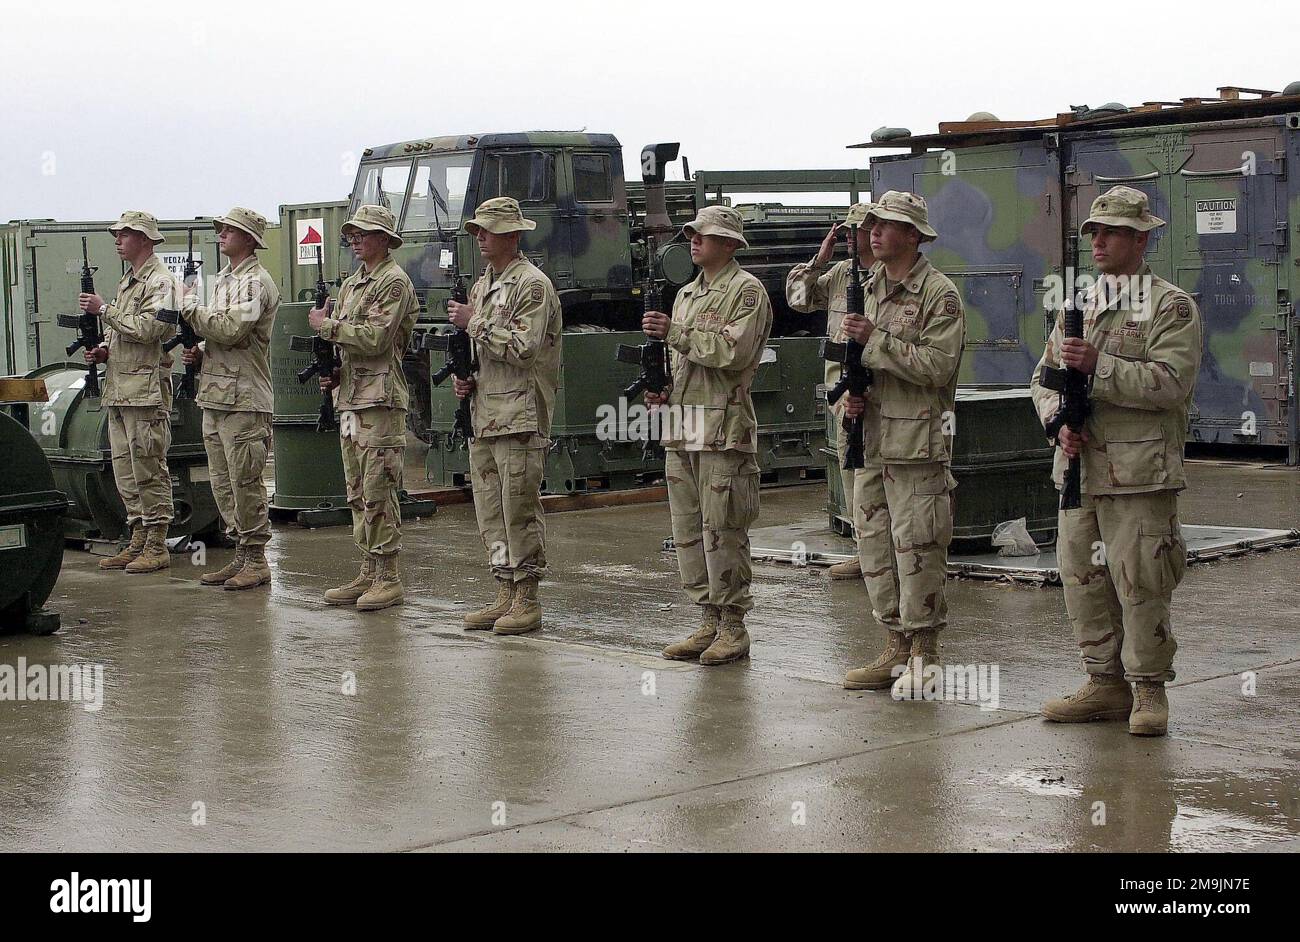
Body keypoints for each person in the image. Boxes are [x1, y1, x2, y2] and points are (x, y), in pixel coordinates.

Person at [1033, 186, 1202, 737]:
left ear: (1141, 239)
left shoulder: (1170, 306)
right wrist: (1058, 424)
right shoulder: (1079, 305)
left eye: (1112, 232)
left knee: (1141, 581)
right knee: (1082, 580)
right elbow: (1044, 377)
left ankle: (1149, 688)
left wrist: (1099, 366)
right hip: (1079, 470)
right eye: (1095, 232)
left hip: (1137, 474)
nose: (1099, 241)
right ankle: (1104, 682)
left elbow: (1172, 384)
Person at [839, 191, 966, 697]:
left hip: (915, 444)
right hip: (869, 440)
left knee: (918, 548)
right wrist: (845, 399)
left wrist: (875, 341)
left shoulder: (938, 295)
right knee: (874, 547)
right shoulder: (866, 288)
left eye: (886, 224)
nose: (874, 232)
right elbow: (844, 360)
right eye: (872, 223)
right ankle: (894, 644)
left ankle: (924, 652)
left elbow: (938, 366)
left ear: (913, 235)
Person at [645, 205, 773, 665]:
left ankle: (733, 625)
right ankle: (708, 618)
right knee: (688, 530)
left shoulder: (746, 291)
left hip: (723, 428)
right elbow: (683, 363)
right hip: (683, 428)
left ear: (730, 244)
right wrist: (662, 390)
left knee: (723, 528)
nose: (694, 240)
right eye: (692, 234)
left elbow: (734, 354)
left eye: (705, 234)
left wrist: (676, 333)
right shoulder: (686, 294)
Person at [785, 203, 901, 632]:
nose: (853, 236)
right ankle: (863, 550)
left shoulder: (887, 280)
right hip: (842, 396)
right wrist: (818, 260)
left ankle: (886, 558)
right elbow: (797, 299)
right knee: (852, 477)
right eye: (848, 230)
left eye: (860, 229)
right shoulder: (837, 277)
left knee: (879, 482)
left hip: (877, 396)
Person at [449, 197, 562, 635]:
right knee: (490, 513)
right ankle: (504, 590)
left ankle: (526, 597)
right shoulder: (483, 286)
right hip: (485, 414)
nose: (480, 237)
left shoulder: (531, 286)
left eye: (488, 230)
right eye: (478, 230)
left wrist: (473, 323)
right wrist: (466, 378)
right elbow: (484, 353)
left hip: (518, 415)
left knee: (519, 510)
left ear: (512, 235)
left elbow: (523, 348)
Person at [308, 204, 418, 612]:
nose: (355, 240)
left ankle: (388, 575)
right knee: (356, 488)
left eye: (363, 234)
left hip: (380, 400)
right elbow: (353, 345)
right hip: (352, 400)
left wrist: (327, 327)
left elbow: (376, 338)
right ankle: (369, 569)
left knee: (378, 487)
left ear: (384, 239)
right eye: (352, 235)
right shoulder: (355, 282)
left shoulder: (393, 282)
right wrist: (335, 370)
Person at [180, 207, 280, 589]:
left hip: (244, 399)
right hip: (217, 395)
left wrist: (189, 307)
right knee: (222, 482)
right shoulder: (225, 279)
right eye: (221, 229)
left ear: (250, 239)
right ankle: (241, 553)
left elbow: (232, 329)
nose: (221, 234)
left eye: (229, 230)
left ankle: (256, 559)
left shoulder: (256, 283)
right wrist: (203, 352)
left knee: (245, 482)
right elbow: (223, 338)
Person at [78, 211, 179, 574]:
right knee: (125, 469)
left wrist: (104, 309)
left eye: (125, 234)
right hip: (120, 387)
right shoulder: (129, 281)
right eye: (117, 235)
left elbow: (151, 329)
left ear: (145, 239)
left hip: (145, 391)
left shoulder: (162, 282)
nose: (118, 240)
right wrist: (104, 350)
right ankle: (137, 536)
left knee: (149, 466)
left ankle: (156, 543)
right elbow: (122, 332)